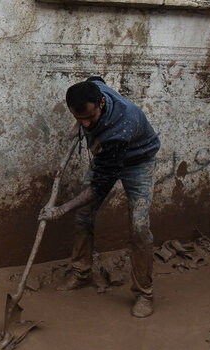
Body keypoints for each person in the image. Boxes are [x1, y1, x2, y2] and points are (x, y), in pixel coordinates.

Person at [38, 77, 160, 318]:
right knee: (83, 215)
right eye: (78, 117)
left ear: (102, 104)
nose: (85, 123)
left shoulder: (122, 127)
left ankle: (144, 293)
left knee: (139, 227)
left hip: (138, 161)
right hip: (106, 157)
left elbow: (99, 188)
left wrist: (61, 209)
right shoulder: (95, 90)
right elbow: (95, 79)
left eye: (90, 118)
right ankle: (82, 273)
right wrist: (80, 125)